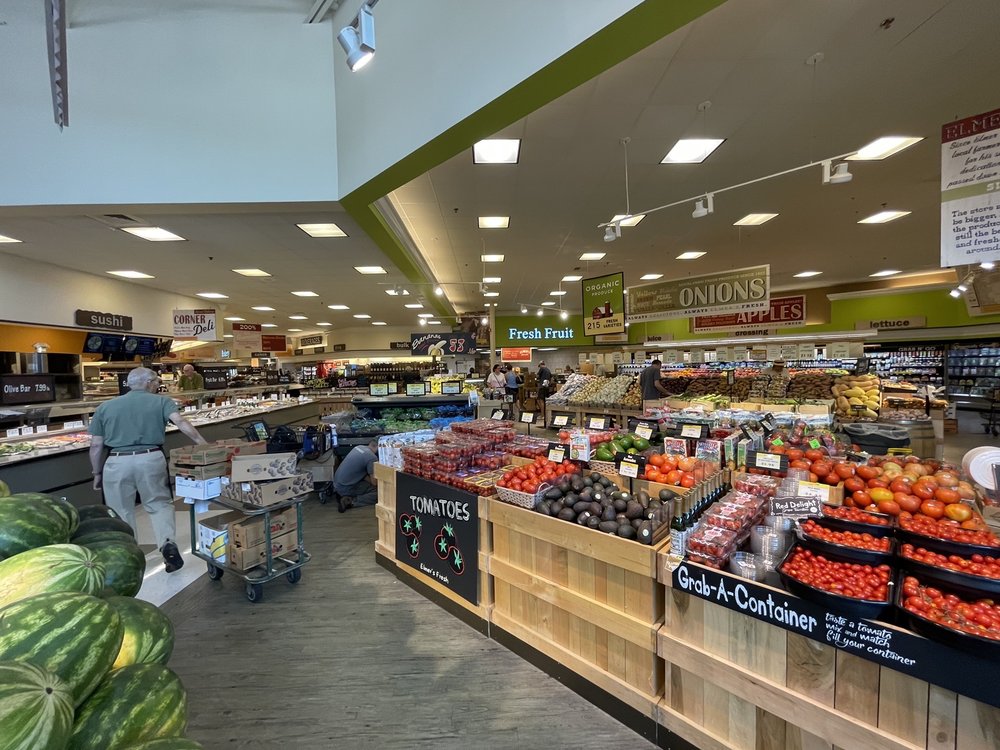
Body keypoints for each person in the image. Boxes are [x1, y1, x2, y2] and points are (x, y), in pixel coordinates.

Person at [88, 367, 208, 573]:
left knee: (120, 510)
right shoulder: (161, 402)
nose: (157, 385)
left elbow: (96, 445)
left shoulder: (105, 407)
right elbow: (181, 422)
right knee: (159, 504)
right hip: (151, 458)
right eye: (156, 382)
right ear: (147, 382)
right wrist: (204, 445)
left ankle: (129, 555)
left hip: (116, 461)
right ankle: (168, 543)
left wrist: (97, 473)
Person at [333, 439, 379, 513]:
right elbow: (374, 483)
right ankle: (350, 501)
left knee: (370, 485)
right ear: (379, 447)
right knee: (379, 494)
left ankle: (343, 495)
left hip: (337, 484)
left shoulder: (359, 447)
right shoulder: (372, 457)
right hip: (346, 487)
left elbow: (362, 474)